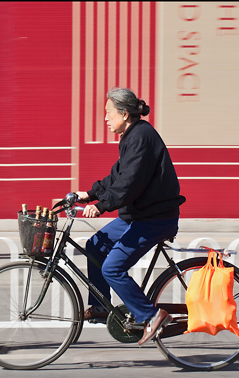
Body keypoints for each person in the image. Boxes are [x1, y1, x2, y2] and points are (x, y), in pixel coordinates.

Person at [76, 87, 186, 346]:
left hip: (155, 218)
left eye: (108, 112)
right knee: (95, 246)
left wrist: (101, 206)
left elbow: (129, 185)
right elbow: (117, 177)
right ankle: (101, 307)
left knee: (112, 268)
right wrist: (88, 194)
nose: (105, 117)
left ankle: (151, 315)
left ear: (124, 114)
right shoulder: (131, 136)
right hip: (139, 215)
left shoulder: (141, 137)